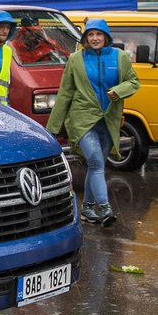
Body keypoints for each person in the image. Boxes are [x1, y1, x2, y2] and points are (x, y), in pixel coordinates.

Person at [46, 18, 140, 225]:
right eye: (90, 35)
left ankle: (88, 209)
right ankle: (105, 208)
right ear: (85, 38)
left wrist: (118, 91)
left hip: (109, 120)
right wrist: (52, 128)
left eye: (98, 34)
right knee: (96, 162)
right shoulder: (76, 59)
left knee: (95, 165)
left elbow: (134, 82)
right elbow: (65, 93)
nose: (95, 38)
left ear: (106, 37)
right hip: (82, 119)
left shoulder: (120, 57)